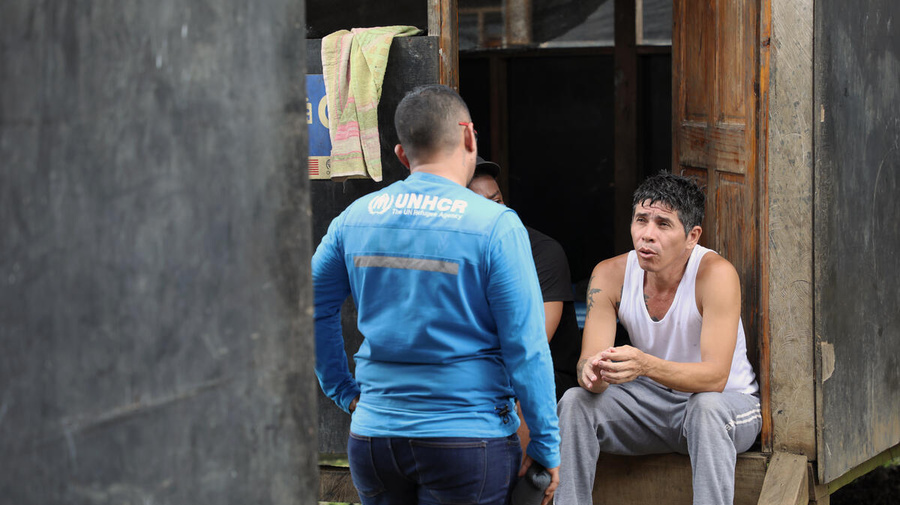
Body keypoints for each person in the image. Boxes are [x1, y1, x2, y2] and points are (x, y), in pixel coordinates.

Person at [312, 84, 561, 505]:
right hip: (468, 442)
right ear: (469, 136)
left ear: (402, 156)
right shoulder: (496, 225)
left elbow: (310, 308)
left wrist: (345, 393)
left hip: (375, 438)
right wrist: (545, 443)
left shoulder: (351, 220)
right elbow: (526, 344)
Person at [555, 172, 760, 505]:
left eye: (663, 224)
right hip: (650, 407)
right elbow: (586, 363)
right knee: (575, 403)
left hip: (726, 406)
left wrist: (643, 365)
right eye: (641, 220)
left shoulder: (716, 274)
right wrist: (592, 374)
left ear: (692, 236)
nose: (647, 235)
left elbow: (715, 377)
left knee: (705, 408)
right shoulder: (609, 274)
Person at [468, 158, 581, 401]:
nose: (495, 212)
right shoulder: (451, 254)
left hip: (545, 373)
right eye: (479, 206)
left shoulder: (541, 251)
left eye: (497, 201)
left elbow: (531, 345)